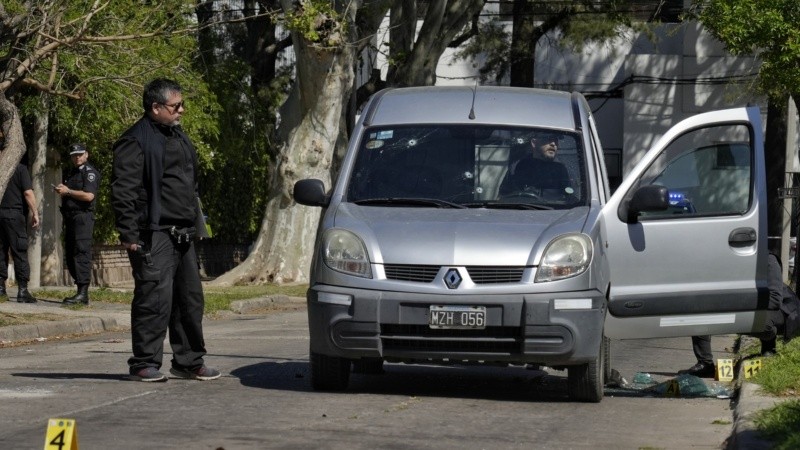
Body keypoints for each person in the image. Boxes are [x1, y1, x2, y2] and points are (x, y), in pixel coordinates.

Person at [111, 78, 217, 383]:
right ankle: (144, 363)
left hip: (184, 233)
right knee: (154, 299)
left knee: (190, 300)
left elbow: (188, 183)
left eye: (182, 104)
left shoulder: (178, 135)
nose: (181, 110)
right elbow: (124, 190)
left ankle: (188, 361)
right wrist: (129, 234)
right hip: (153, 233)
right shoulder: (135, 140)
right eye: (175, 106)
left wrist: (196, 222)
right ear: (155, 108)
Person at [55, 143, 100, 305]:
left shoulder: (89, 173)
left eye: (80, 154)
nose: (77, 157)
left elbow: (89, 196)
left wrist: (68, 191)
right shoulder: (72, 172)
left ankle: (83, 293)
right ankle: (79, 290)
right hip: (70, 218)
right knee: (70, 253)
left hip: (83, 218)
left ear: (86, 154)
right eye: (74, 155)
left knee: (81, 252)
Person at [0, 163, 40, 303]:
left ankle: (0, 289)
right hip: (14, 215)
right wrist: (35, 213)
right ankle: (23, 291)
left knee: (0, 252)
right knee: (20, 252)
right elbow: (28, 192)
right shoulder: (19, 168)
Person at [499, 131, 572, 199]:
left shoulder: (560, 169)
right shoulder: (519, 167)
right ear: (534, 143)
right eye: (548, 138)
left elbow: (568, 198)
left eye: (556, 140)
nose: (553, 144)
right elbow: (504, 197)